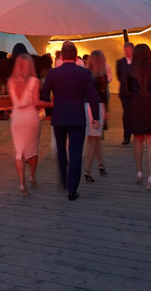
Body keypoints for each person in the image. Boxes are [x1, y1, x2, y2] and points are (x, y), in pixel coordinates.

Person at [40, 41, 100, 201]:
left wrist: (49, 112)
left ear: (61, 56)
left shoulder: (53, 73)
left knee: (61, 149)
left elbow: (44, 94)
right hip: (77, 117)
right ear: (75, 56)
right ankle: (72, 189)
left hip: (59, 116)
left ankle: (62, 177)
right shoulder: (84, 73)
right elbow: (93, 96)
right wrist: (96, 117)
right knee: (75, 153)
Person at [120, 43, 151, 190]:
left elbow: (123, 91)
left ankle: (139, 171)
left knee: (138, 140)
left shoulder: (128, 68)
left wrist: (128, 105)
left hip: (135, 105)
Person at [8, 53, 52, 195]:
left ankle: (22, 183)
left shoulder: (10, 82)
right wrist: (52, 104)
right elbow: (36, 102)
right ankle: (32, 176)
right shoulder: (34, 81)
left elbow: (12, 103)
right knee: (33, 149)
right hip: (30, 117)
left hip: (17, 118)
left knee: (19, 151)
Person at [83, 50, 110, 182]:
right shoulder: (102, 76)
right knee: (92, 140)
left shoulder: (86, 74)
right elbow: (105, 96)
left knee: (95, 138)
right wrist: (106, 113)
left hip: (85, 106)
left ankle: (101, 164)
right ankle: (87, 170)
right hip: (97, 108)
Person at [116, 42, 134, 145]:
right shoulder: (120, 62)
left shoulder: (137, 61)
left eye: (129, 50)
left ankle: (138, 132)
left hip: (136, 92)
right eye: (125, 50)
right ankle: (126, 136)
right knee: (126, 114)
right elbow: (119, 76)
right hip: (125, 93)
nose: (127, 52)